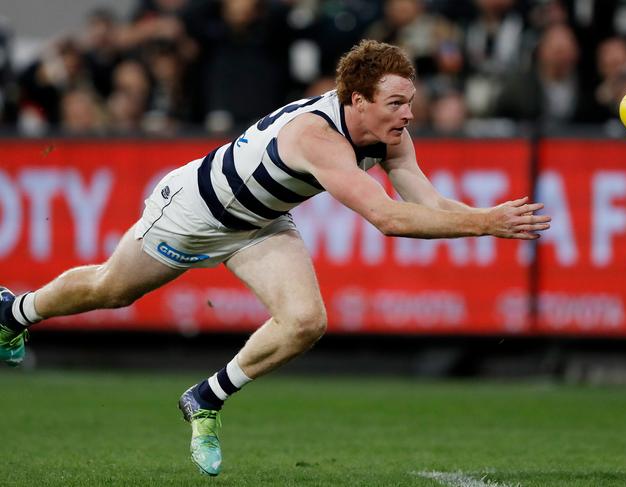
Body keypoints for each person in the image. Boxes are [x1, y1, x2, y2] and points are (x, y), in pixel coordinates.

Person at [0, 40, 551, 476]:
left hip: (260, 224)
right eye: (396, 102)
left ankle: (204, 399)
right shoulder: (317, 134)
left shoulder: (389, 136)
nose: (409, 114)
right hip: (197, 214)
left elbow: (427, 204)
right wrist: (484, 223)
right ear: (357, 100)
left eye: (410, 101)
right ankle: (15, 313)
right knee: (109, 290)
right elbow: (389, 219)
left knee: (306, 322)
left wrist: (485, 219)